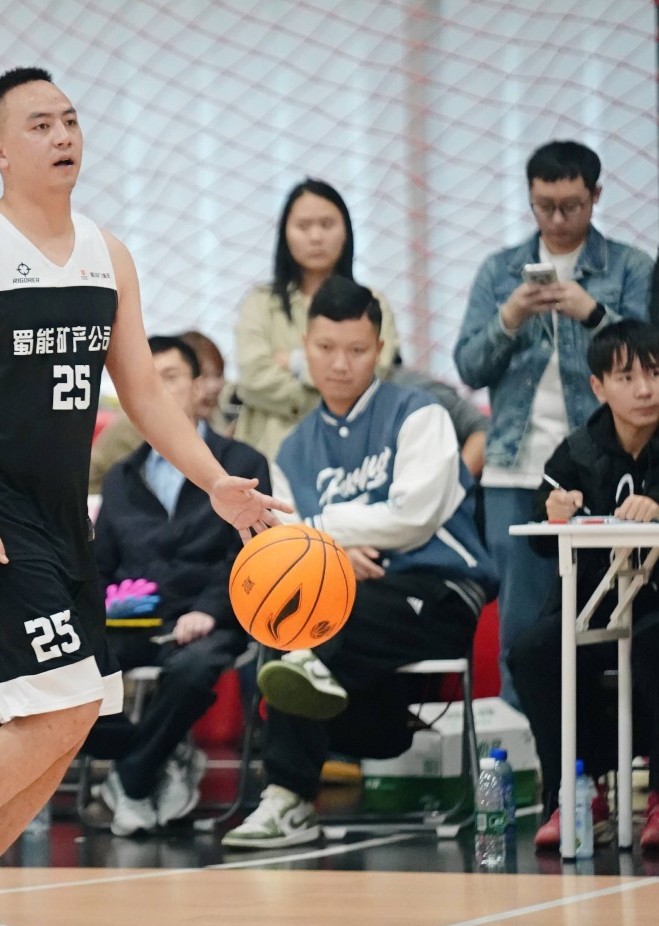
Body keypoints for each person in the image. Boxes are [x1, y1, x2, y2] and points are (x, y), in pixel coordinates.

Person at [0, 65, 286, 926]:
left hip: (66, 521)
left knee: (70, 722)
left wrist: (215, 479)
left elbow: (142, 390)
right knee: (61, 707)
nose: (63, 135)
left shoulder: (108, 254)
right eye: (39, 124)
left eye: (69, 119)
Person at [221, 276, 496, 850]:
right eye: (326, 348)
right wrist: (336, 557)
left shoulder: (419, 413)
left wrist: (322, 537)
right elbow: (286, 538)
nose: (340, 363)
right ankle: (291, 796)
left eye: (357, 349)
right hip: (350, 601)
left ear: (379, 349)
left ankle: (292, 789)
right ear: (305, 348)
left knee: (304, 624)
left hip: (438, 586)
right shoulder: (293, 447)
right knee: (287, 618)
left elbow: (412, 517)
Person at [454, 140, 654, 706]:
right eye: (544, 206)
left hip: (601, 464)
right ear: (529, 199)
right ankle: (528, 748)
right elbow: (468, 367)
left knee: (609, 617)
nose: (558, 219)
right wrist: (509, 317)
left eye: (572, 206)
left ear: (596, 196)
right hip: (514, 466)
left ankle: (598, 745)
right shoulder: (498, 270)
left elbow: (648, 360)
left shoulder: (631, 267)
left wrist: (593, 313)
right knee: (522, 627)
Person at [93, 334, 270, 835]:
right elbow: (100, 564)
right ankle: (153, 757)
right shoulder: (121, 477)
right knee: (68, 665)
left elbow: (250, 554)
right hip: (133, 619)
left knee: (194, 669)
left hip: (210, 618)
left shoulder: (241, 465)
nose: (157, 390)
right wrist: (94, 613)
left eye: (170, 378)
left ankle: (130, 777)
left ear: (199, 388)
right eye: (145, 381)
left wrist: (210, 609)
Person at [510, 320, 659, 853]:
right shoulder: (577, 450)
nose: (645, 389)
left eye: (655, 374)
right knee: (533, 652)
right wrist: (553, 511)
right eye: (627, 377)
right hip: (595, 604)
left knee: (652, 645)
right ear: (598, 387)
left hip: (654, 608)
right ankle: (574, 792)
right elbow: (539, 531)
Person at [233, 179, 399, 463]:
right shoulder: (260, 302)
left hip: (354, 454)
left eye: (326, 224)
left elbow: (377, 371)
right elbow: (252, 378)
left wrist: (295, 363)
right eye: (303, 226)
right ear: (285, 233)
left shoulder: (372, 302)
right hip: (270, 455)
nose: (316, 237)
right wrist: (334, 394)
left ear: (346, 231)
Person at [88, 329, 230, 494]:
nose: (210, 387)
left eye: (218, 375)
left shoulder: (218, 427)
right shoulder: (136, 428)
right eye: (203, 375)